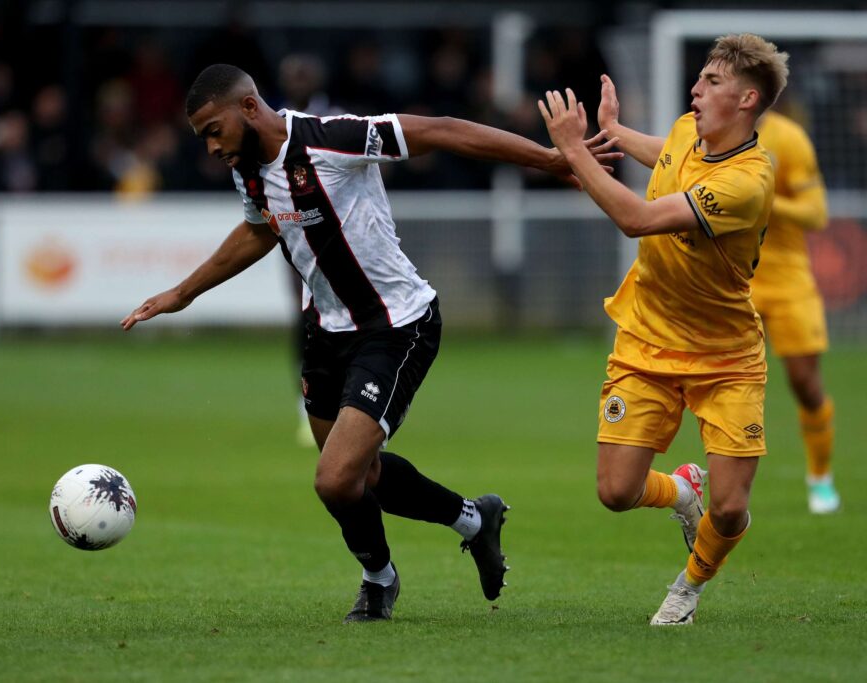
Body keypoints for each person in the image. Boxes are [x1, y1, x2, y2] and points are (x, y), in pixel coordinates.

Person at [122, 63, 619, 623]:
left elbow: (445, 131)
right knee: (364, 475)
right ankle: (474, 520)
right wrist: (184, 293)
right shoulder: (249, 169)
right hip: (326, 331)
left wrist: (553, 159)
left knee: (335, 480)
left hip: (396, 326)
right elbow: (261, 229)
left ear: (248, 108)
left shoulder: (331, 139)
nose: (211, 147)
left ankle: (378, 580)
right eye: (202, 137)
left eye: (214, 130)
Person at [538, 34, 788, 625]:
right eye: (699, 77)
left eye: (713, 82)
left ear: (748, 99)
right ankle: (680, 491)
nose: (695, 89)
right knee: (616, 492)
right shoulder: (687, 130)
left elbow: (637, 219)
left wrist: (575, 150)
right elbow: (668, 154)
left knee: (728, 510)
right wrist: (616, 134)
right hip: (646, 339)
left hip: (725, 357)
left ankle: (688, 588)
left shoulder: (747, 182)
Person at [752, 110, 839, 514]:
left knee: (805, 382)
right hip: (734, 277)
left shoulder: (787, 138)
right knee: (714, 378)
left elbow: (816, 214)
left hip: (788, 278)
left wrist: (765, 197)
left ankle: (820, 478)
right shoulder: (703, 133)